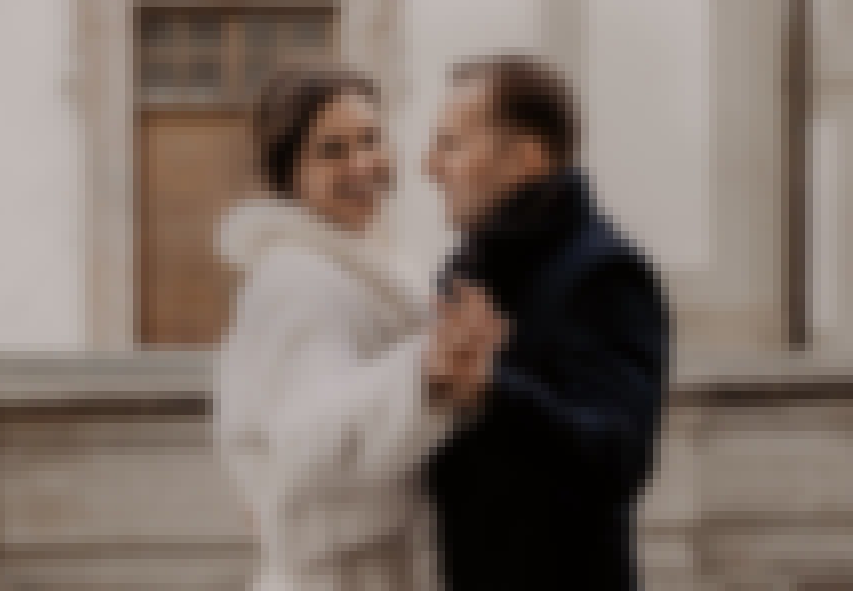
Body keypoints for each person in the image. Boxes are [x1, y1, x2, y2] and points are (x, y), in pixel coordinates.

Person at [213, 65, 502, 591]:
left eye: (371, 139)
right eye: (332, 150)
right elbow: (306, 434)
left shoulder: (356, 268)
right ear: (289, 173)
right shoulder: (296, 279)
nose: (363, 163)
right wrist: (424, 375)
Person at [420, 55, 672, 591]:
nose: (429, 164)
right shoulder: (462, 273)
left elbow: (620, 454)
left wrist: (493, 389)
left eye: (451, 144)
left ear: (526, 160)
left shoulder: (605, 272)